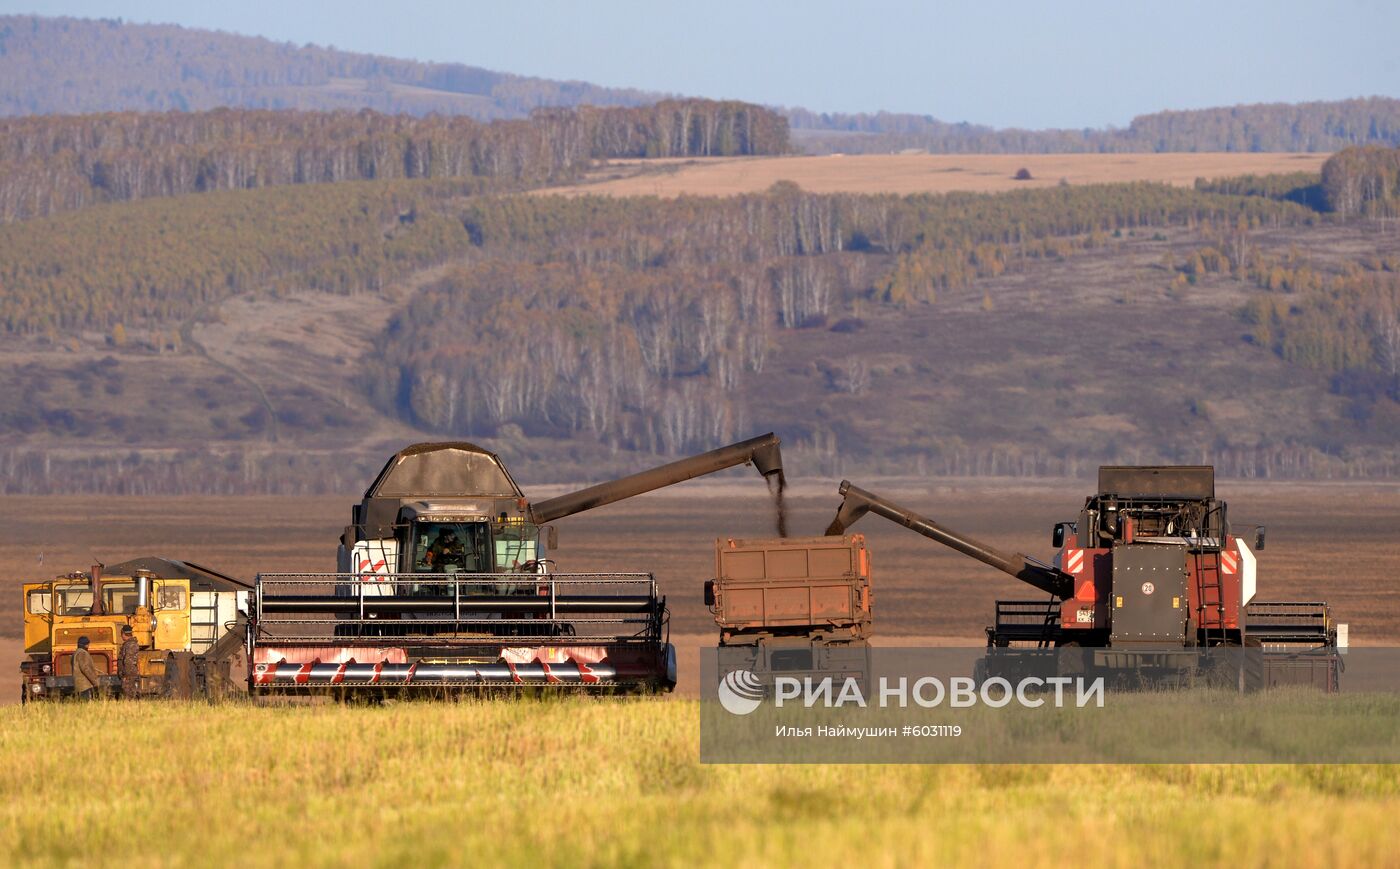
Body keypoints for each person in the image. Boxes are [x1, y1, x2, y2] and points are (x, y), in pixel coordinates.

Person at [72, 635, 103, 700]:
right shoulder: (82, 653)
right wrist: (94, 681)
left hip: (79, 684)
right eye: (88, 644)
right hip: (85, 685)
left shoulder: (76, 653)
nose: (88, 646)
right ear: (85, 645)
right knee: (86, 703)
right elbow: (85, 669)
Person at [117, 625, 140, 699]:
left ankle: (130, 708)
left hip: (128, 675)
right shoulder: (130, 644)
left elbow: (128, 661)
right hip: (129, 674)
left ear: (123, 633)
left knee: (128, 695)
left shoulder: (130, 645)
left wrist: (126, 676)